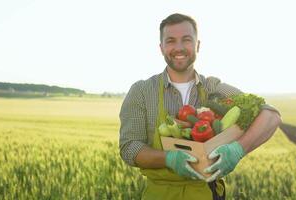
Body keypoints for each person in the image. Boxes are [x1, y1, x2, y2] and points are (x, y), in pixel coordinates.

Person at [119, 13, 282, 200]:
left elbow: (271, 115)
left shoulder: (213, 88)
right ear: (161, 47)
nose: (178, 47)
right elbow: (129, 147)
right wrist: (168, 158)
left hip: (208, 192)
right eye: (171, 41)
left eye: (186, 40)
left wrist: (238, 149)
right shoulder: (142, 91)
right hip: (160, 194)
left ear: (197, 45)